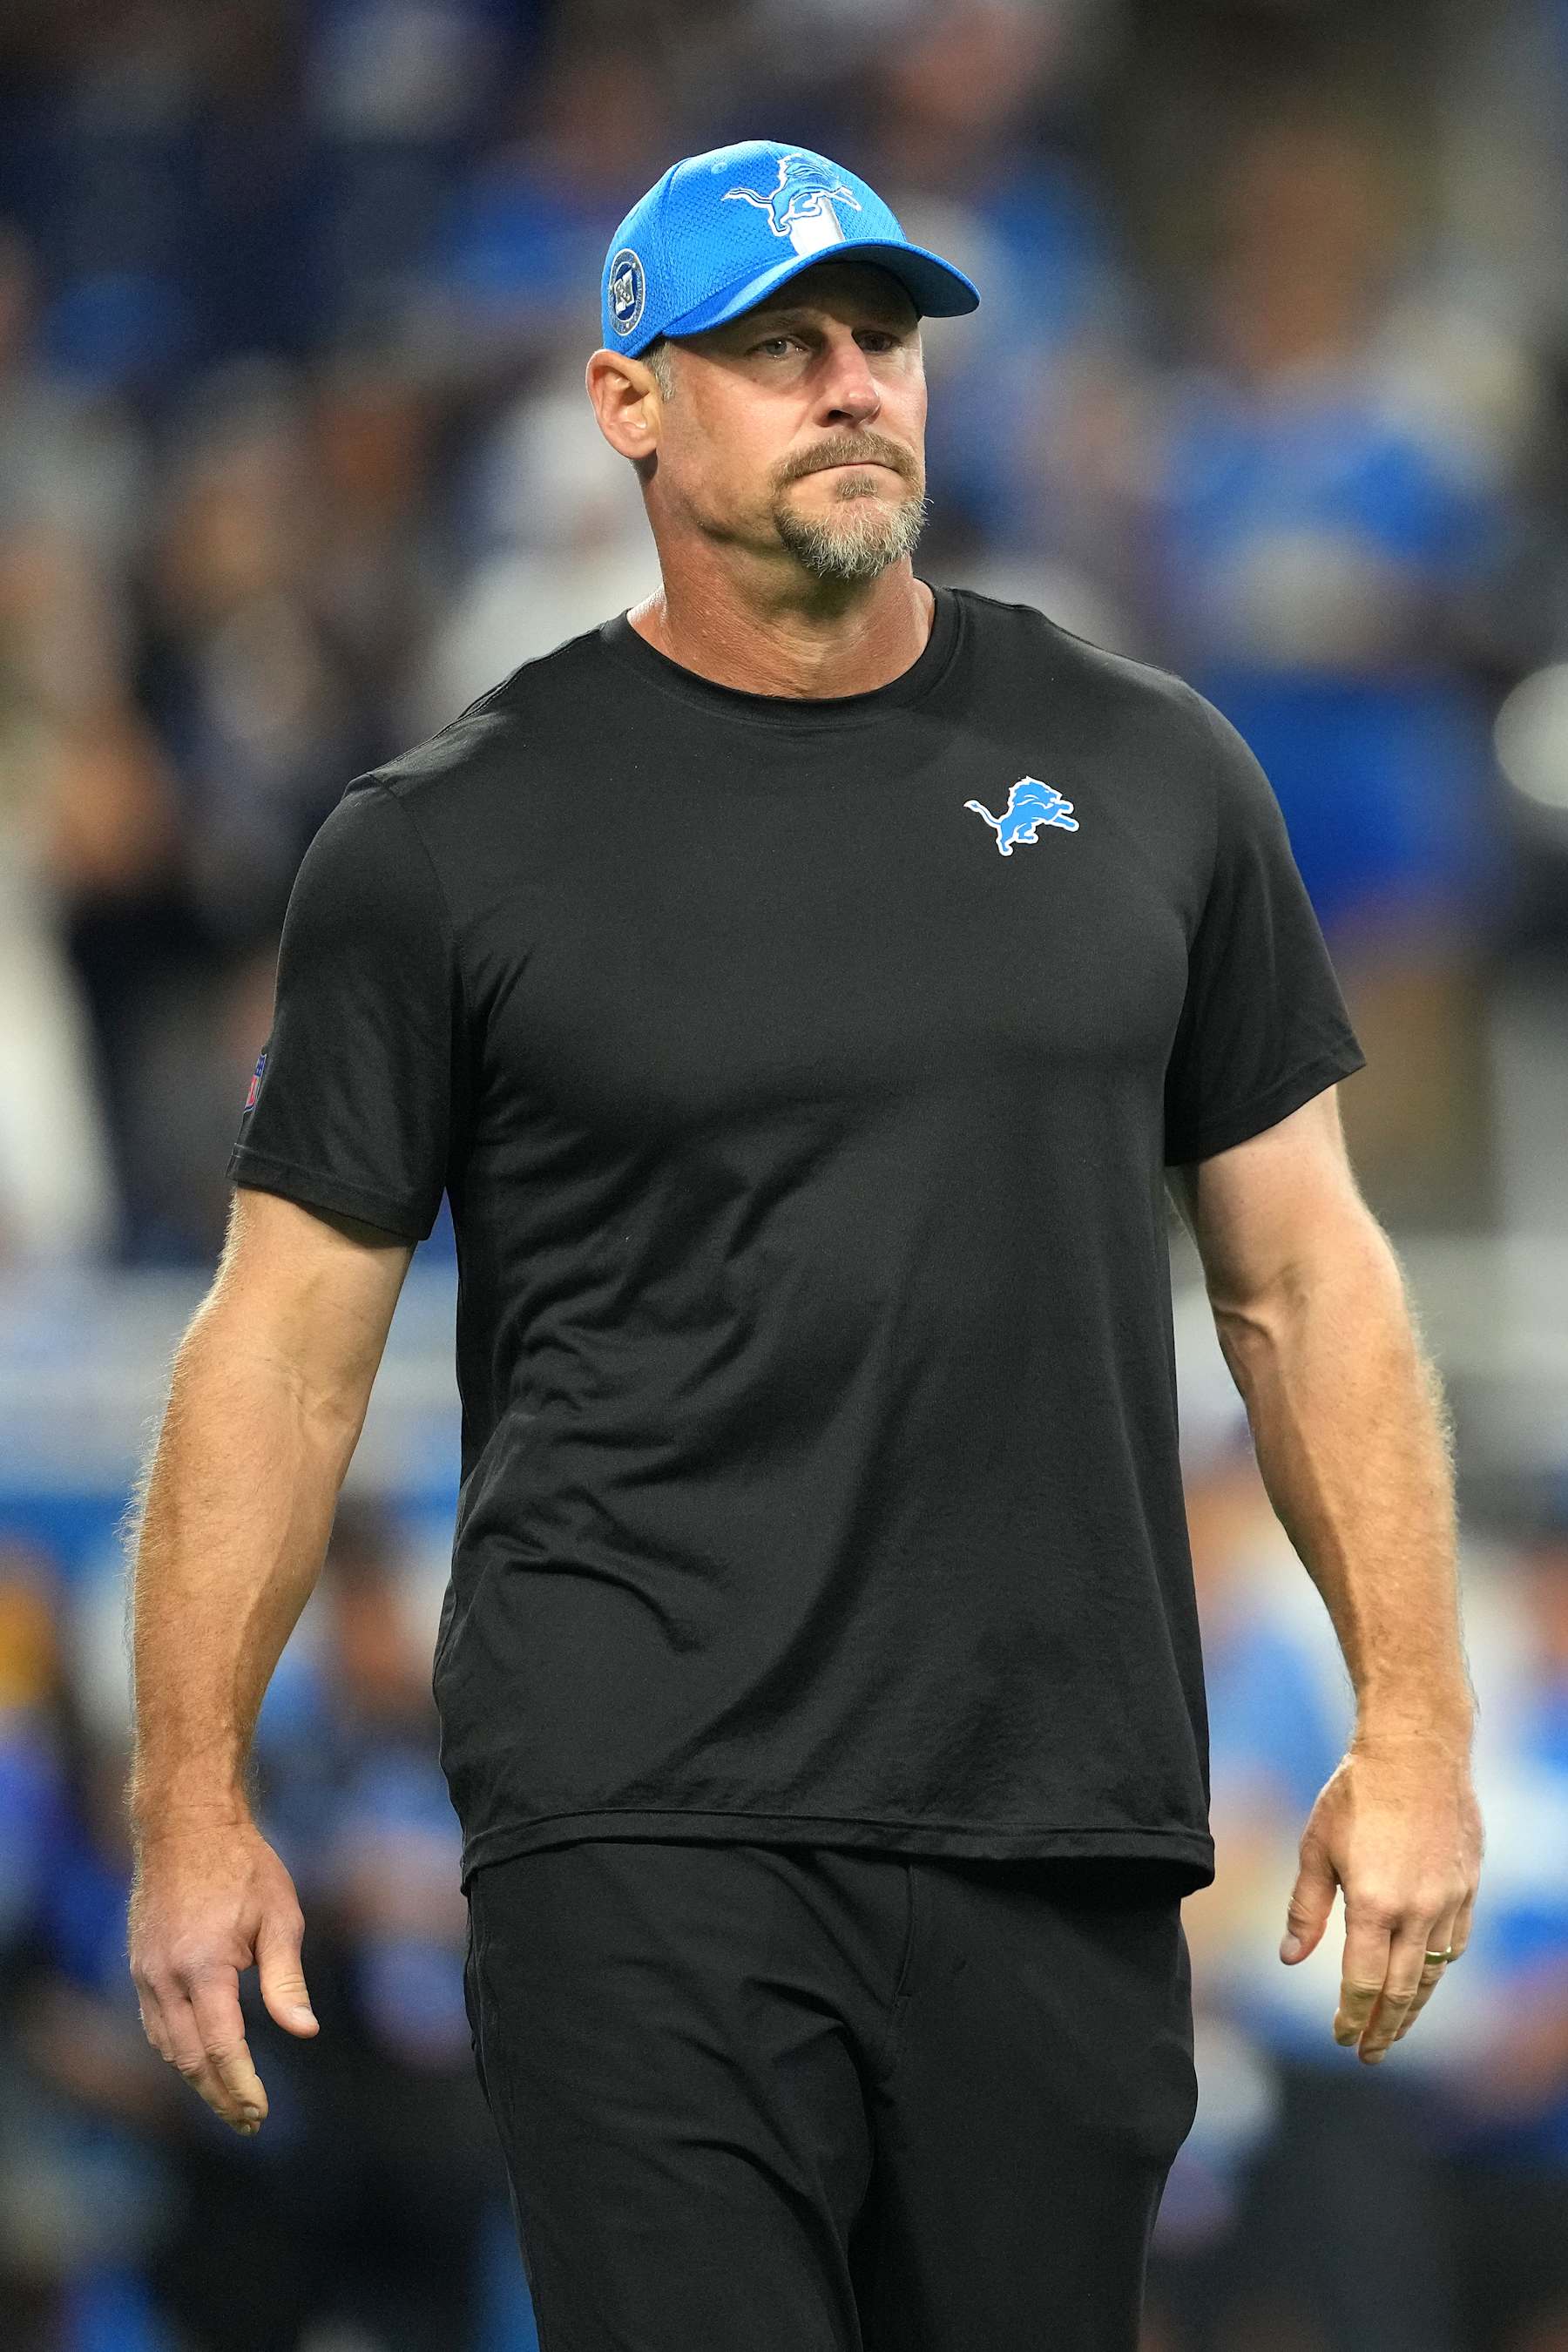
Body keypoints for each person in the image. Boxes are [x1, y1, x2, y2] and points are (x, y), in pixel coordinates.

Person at [124, 139, 1484, 2352]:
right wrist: (191, 1806)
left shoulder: (1151, 776)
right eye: (778, 346)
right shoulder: (450, 842)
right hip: (636, 1827)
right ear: (628, 403)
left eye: (883, 340)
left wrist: (1411, 1725)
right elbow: (280, 1345)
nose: (855, 385)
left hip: (1061, 1830)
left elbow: (1307, 1275)